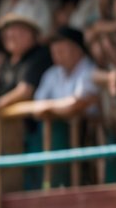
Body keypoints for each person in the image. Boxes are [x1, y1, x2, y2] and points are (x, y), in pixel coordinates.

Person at [25, 26, 100, 187]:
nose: (56, 52)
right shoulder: (52, 73)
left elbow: (78, 104)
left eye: (61, 46)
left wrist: (50, 108)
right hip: (55, 134)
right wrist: (57, 108)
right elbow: (36, 106)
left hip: (88, 135)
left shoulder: (90, 69)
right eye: (54, 48)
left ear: (77, 49)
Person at [0, 13, 52, 123]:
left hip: (36, 126)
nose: (10, 34)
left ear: (31, 34)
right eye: (7, 32)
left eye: (17, 31)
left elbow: (25, 91)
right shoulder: (6, 61)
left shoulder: (40, 55)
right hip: (8, 126)